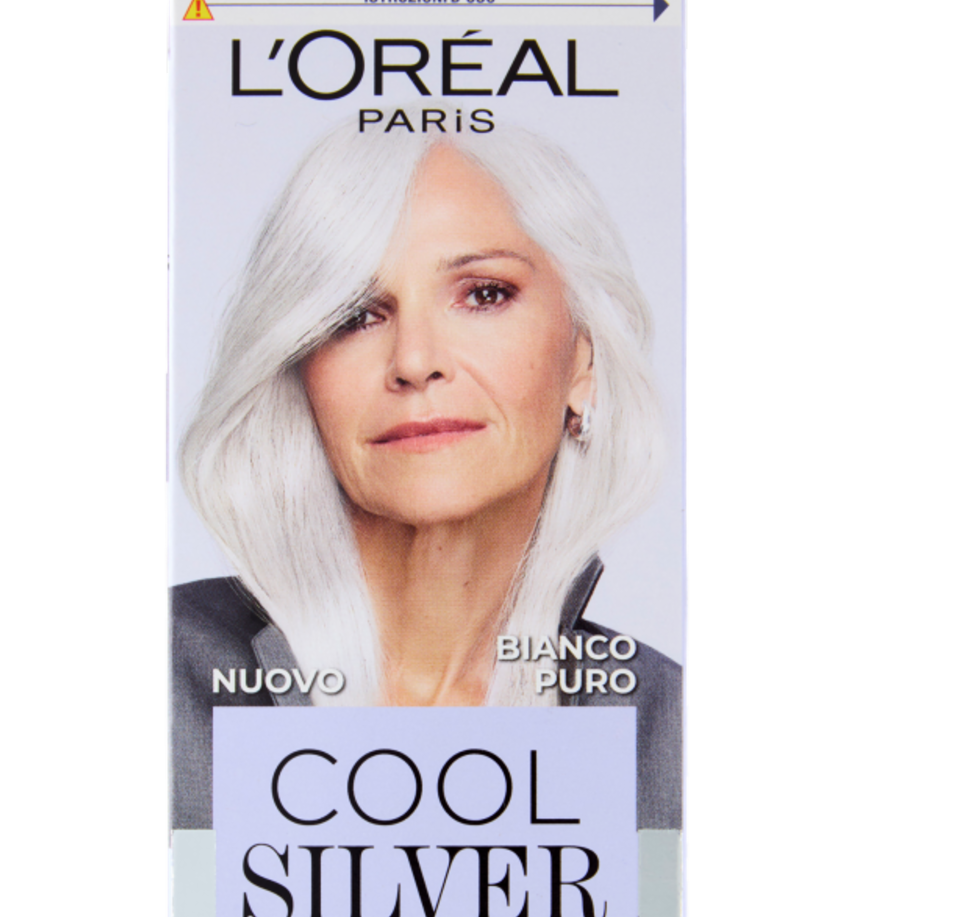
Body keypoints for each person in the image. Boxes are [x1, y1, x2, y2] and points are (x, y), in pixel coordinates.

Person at [172, 126, 680, 828]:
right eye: (355, 315)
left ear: (583, 359)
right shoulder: (179, 673)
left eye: (484, 294)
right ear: (298, 371)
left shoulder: (662, 726)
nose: (414, 361)